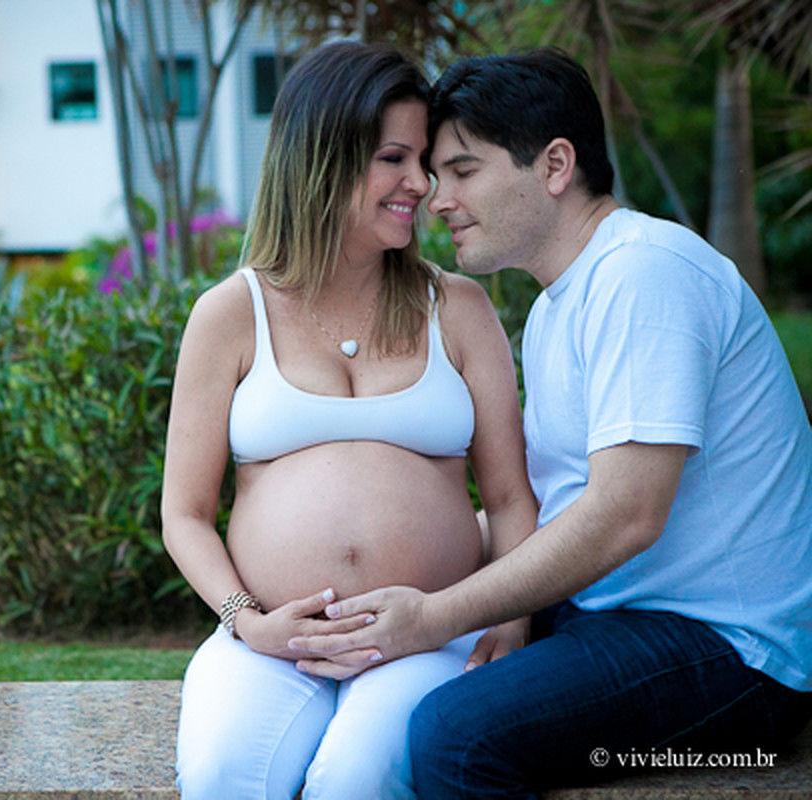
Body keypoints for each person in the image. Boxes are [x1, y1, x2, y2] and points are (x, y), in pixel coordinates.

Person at [287, 48, 812, 798]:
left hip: (732, 648)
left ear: (555, 165)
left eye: (463, 171)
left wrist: (433, 616)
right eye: (436, 175)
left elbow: (625, 514)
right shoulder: (555, 308)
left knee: (456, 737)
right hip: (616, 612)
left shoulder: (645, 272)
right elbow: (553, 501)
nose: (436, 199)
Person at [159, 40, 539, 800]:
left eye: (423, 161)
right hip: (270, 640)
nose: (421, 185)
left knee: (357, 779)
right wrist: (247, 621)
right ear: (321, 160)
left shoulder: (458, 307)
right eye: (393, 159)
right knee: (220, 775)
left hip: (431, 635)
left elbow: (508, 498)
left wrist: (514, 617)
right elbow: (185, 514)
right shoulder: (230, 314)